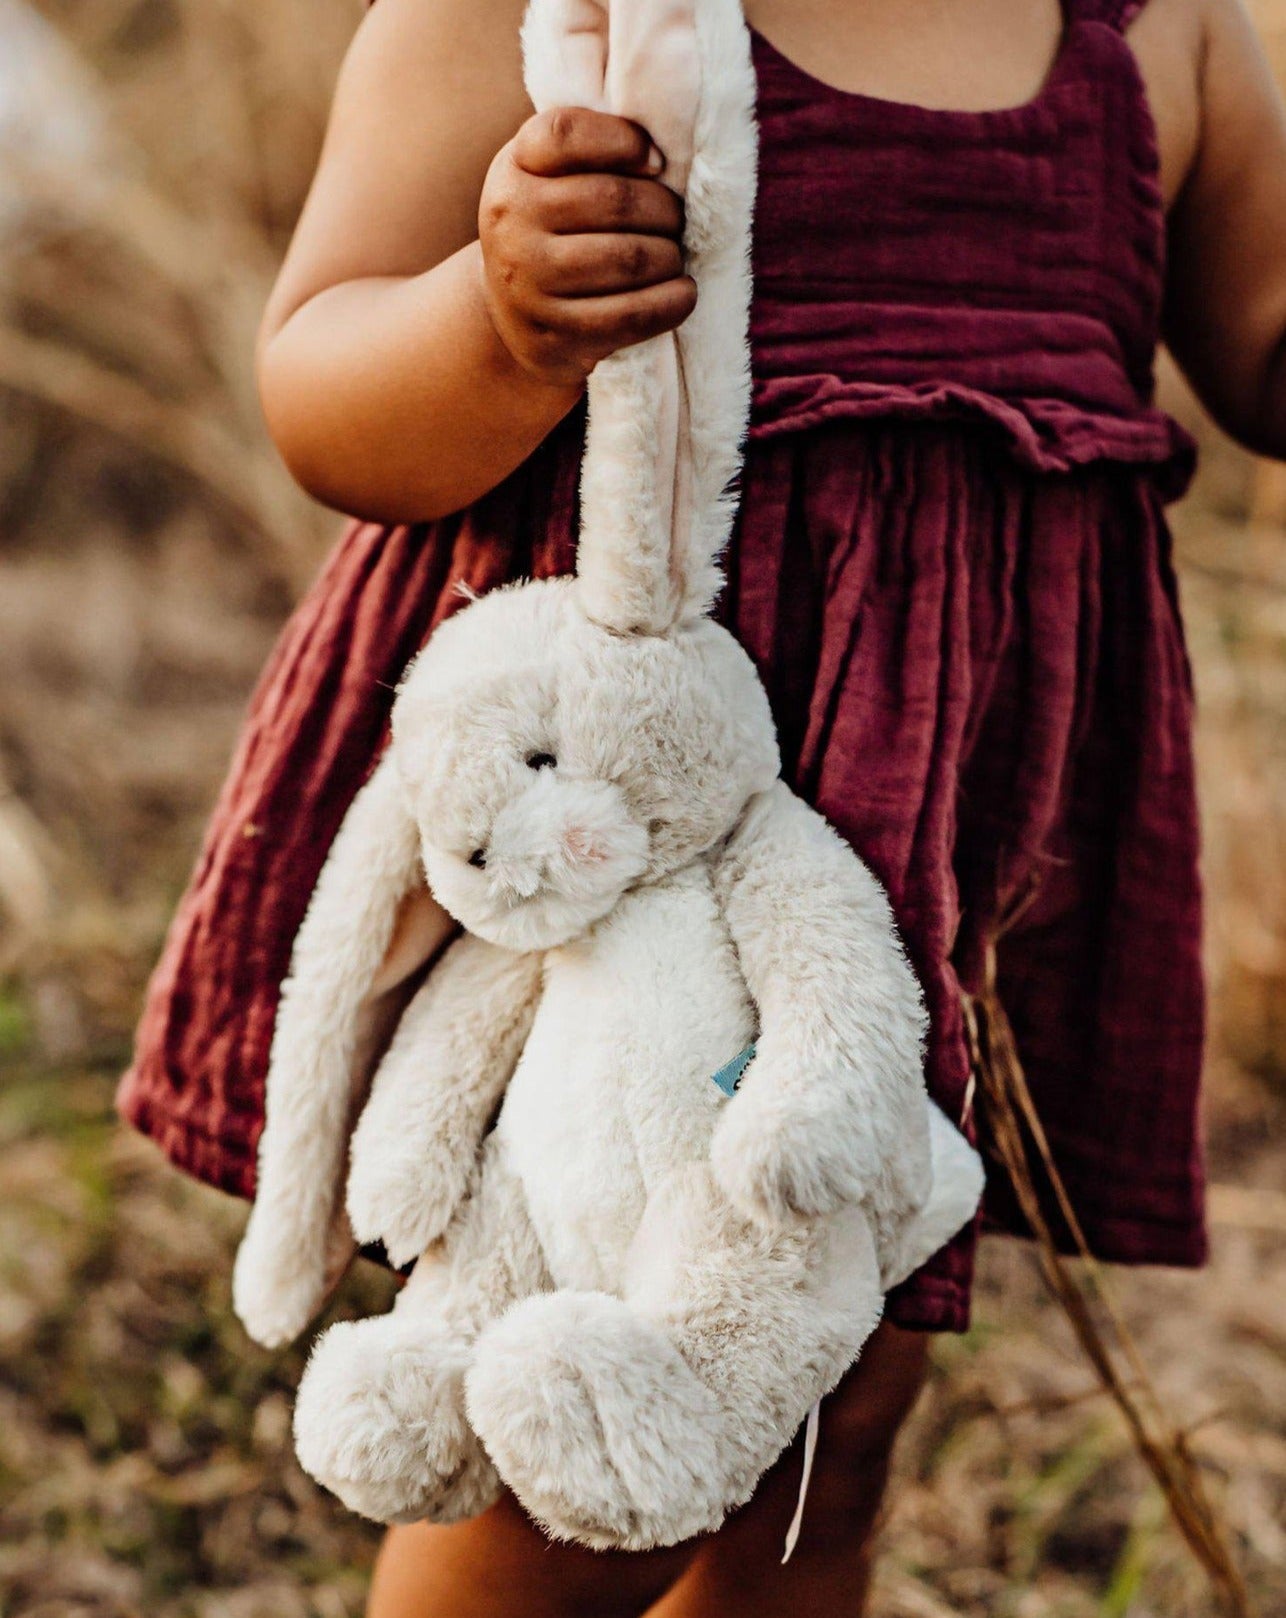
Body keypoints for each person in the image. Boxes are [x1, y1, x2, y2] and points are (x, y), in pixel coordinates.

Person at [118, 1, 1286, 1613]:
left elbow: (1264, 343)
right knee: (578, 1398)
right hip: (622, 849)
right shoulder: (547, 19)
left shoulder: (1156, 37)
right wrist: (497, 319)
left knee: (833, 1402)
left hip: (930, 856)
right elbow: (324, 395)